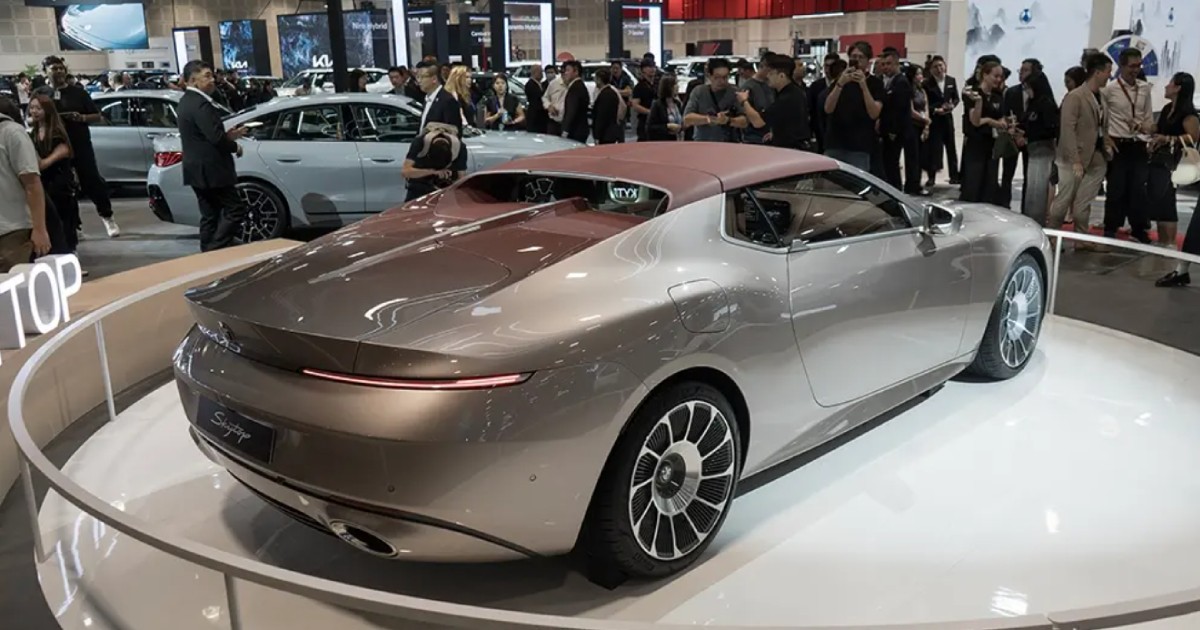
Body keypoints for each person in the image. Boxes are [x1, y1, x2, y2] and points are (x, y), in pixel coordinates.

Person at [34, 56, 119, 238]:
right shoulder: (40, 93)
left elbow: (97, 115)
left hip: (80, 144)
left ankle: (107, 215)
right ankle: (75, 225)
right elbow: (31, 116)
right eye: (54, 68)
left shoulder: (78, 93)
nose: (59, 71)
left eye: (61, 68)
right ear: (45, 72)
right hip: (55, 148)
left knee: (92, 181)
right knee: (64, 188)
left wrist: (81, 117)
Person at [177, 60, 250, 252]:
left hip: (197, 169)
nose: (212, 80)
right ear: (193, 80)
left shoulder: (186, 101)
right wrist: (234, 146)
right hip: (211, 169)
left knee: (210, 214)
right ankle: (216, 247)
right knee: (235, 209)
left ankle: (208, 251)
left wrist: (229, 136)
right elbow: (215, 138)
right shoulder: (201, 104)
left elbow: (205, 135)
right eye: (207, 76)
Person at [1048, 52, 1113, 244]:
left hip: (1097, 156)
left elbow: (1101, 125)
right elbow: (1068, 130)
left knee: (1083, 202)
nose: (1110, 76)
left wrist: (1107, 143)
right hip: (1072, 159)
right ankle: (1051, 238)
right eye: (1108, 71)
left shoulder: (1101, 97)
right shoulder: (1075, 97)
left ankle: (1081, 239)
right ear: (1097, 72)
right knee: (1063, 199)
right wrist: (1075, 159)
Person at [1101, 47, 1155, 244]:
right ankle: (1110, 227)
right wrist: (1105, 139)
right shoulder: (1109, 90)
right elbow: (1103, 118)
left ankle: (1138, 228)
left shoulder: (1145, 88)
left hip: (1138, 144)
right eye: (1132, 66)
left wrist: (1149, 137)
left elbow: (1148, 115)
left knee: (1138, 189)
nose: (1136, 70)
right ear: (1122, 66)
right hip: (1119, 144)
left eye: (1138, 65)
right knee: (1116, 189)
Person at [1150, 73, 1198, 287]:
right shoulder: (1168, 110)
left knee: (1166, 200)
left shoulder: (1187, 114)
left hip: (1175, 162)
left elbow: (1193, 136)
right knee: (1160, 200)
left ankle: (1171, 246)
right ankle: (1176, 260)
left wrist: (1169, 139)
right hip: (1161, 161)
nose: (1166, 86)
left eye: (1170, 83)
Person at [0, 96, 52, 271]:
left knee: (15, 282)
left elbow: (32, 184)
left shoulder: (12, 133)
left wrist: (40, 229)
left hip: (12, 231)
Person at [824, 42, 884, 171]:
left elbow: (874, 113)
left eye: (861, 57)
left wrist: (864, 86)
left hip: (860, 145)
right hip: (835, 142)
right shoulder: (840, 80)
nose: (857, 60)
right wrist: (840, 84)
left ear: (868, 61)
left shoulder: (875, 83)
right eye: (853, 57)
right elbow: (828, 108)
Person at [27, 94, 75, 256]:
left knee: (63, 220)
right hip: (44, 182)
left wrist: (43, 163)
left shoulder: (57, 133)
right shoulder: (33, 133)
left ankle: (68, 252)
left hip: (59, 183)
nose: (34, 111)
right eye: (32, 108)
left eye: (38, 108)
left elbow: (63, 152)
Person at [738, 55, 810, 151]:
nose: (768, 76)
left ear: (781, 76)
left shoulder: (786, 98)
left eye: (771, 74)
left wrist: (744, 101)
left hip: (790, 150)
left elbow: (758, 122)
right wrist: (776, 133)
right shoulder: (795, 92)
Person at [959, 60, 1006, 204]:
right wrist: (990, 120)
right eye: (995, 76)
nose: (998, 79)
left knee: (990, 182)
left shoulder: (998, 96)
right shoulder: (973, 93)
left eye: (1000, 77)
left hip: (993, 144)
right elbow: (975, 121)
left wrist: (996, 122)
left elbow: (1001, 117)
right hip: (976, 143)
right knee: (974, 182)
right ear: (985, 75)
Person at [1017, 71, 1059, 225]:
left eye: (1028, 87)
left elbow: (1050, 129)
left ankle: (1037, 221)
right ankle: (1030, 219)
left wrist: (1028, 137)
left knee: (1038, 190)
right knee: (1032, 189)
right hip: (1033, 151)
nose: (1027, 91)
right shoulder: (1032, 103)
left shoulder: (1046, 104)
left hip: (1043, 150)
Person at [1001, 59, 1041, 209]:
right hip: (1012, 137)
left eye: (1025, 70)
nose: (1021, 74)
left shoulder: (1039, 94)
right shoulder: (1011, 92)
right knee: (1007, 174)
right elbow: (1005, 114)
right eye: (1020, 70)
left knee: (1029, 176)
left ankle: (1027, 207)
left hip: (1030, 139)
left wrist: (1026, 135)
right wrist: (1011, 130)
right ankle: (1004, 205)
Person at [878, 50, 916, 192]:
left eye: (888, 64)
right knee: (888, 164)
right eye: (883, 64)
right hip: (887, 129)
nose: (885, 67)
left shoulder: (901, 83)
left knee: (892, 164)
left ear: (896, 64)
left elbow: (899, 109)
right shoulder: (888, 81)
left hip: (895, 132)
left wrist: (893, 130)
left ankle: (895, 191)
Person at [683, 58, 746, 144]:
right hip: (703, 143)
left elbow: (745, 121)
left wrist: (728, 120)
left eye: (725, 77)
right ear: (709, 76)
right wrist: (709, 119)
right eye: (717, 77)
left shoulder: (735, 92)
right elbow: (687, 119)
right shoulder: (699, 92)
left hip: (729, 143)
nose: (721, 81)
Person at [402, 123, 466, 202]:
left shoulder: (459, 147)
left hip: (446, 191)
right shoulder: (420, 142)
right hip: (419, 187)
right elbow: (406, 172)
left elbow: (461, 179)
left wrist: (450, 184)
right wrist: (432, 172)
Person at [924, 56, 961, 186]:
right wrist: (935, 110)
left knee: (951, 147)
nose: (939, 69)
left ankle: (954, 176)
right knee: (934, 149)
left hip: (947, 119)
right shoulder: (927, 84)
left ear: (945, 66)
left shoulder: (951, 80)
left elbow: (956, 98)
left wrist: (952, 106)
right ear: (931, 69)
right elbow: (925, 103)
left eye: (941, 65)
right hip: (934, 120)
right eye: (935, 66)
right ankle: (931, 177)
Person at [906, 65, 932, 196]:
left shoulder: (922, 90)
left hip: (922, 126)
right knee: (913, 157)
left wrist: (926, 123)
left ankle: (918, 183)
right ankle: (912, 184)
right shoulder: (909, 91)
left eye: (921, 74)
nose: (920, 76)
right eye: (917, 74)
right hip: (912, 126)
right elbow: (911, 111)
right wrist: (924, 119)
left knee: (921, 157)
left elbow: (926, 107)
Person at [739, 52, 776, 145]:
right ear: (762, 66)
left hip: (770, 136)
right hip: (753, 138)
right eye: (770, 70)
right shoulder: (748, 87)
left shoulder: (772, 86)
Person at [416, 64, 461, 135]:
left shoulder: (447, 100)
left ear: (434, 79)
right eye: (418, 77)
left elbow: (453, 130)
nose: (419, 81)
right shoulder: (427, 98)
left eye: (422, 77)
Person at [808, 53, 840, 153]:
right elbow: (811, 109)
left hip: (838, 132)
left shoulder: (844, 86)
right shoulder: (816, 86)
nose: (828, 69)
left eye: (831, 66)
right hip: (819, 131)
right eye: (826, 66)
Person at [591, 69, 625, 145]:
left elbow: (601, 116)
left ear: (599, 80)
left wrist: (597, 135)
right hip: (611, 131)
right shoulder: (612, 92)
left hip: (606, 134)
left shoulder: (605, 95)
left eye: (595, 78)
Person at [560, 61, 591, 144]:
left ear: (576, 71)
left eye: (568, 70)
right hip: (580, 129)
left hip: (575, 130)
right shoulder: (579, 86)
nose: (565, 73)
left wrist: (565, 130)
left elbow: (571, 111)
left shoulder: (575, 88)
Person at [646, 74, 683, 141]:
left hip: (677, 140)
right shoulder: (657, 105)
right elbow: (650, 127)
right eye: (675, 84)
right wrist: (667, 126)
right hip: (662, 141)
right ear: (668, 87)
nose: (678, 86)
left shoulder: (677, 103)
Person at [631, 59, 658, 141]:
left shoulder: (657, 85)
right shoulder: (639, 87)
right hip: (644, 121)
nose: (652, 69)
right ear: (643, 70)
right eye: (649, 67)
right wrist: (649, 112)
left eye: (653, 66)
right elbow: (635, 105)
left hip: (657, 122)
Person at [543, 64, 567, 137]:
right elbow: (545, 97)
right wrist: (549, 106)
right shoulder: (554, 83)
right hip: (554, 121)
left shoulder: (573, 85)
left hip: (567, 121)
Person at [523, 65, 548, 134]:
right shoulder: (530, 85)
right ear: (535, 72)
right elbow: (537, 99)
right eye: (540, 72)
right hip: (535, 116)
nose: (542, 75)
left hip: (541, 116)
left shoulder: (541, 84)